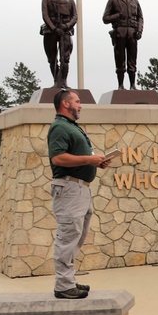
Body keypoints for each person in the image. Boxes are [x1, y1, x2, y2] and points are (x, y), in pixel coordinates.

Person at [47, 89, 114, 299]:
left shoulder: (70, 127)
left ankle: (69, 279)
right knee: (68, 236)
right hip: (69, 188)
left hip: (80, 188)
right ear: (66, 104)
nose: (80, 105)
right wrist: (89, 160)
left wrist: (97, 162)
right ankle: (63, 285)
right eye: (77, 101)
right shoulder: (59, 127)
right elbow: (57, 158)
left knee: (77, 235)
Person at [102, 0, 144, 90]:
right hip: (119, 32)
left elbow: (140, 17)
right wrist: (117, 16)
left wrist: (139, 31)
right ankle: (120, 85)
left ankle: (132, 85)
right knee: (120, 60)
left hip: (132, 33)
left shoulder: (134, 1)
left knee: (132, 60)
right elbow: (105, 18)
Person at [41, 0, 78, 89]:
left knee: (65, 59)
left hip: (65, 31)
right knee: (52, 58)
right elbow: (45, 15)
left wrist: (66, 26)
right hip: (51, 31)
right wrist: (54, 28)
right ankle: (56, 81)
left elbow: (75, 16)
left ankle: (63, 82)